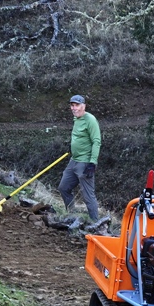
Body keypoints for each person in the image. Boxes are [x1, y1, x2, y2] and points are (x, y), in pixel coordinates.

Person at [58, 94, 101, 222]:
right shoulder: (76, 119)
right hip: (74, 160)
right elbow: (79, 136)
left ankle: (95, 223)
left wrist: (92, 163)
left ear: (84, 106)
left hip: (85, 162)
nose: (74, 108)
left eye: (77, 105)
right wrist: (72, 146)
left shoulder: (90, 120)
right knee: (63, 187)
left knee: (88, 196)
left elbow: (96, 141)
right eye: (72, 105)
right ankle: (72, 216)